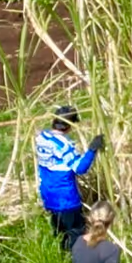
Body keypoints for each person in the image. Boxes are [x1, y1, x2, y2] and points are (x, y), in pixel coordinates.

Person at [35, 105, 104, 251]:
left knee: (59, 231)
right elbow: (80, 168)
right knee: (75, 232)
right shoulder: (64, 146)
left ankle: (61, 258)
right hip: (65, 197)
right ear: (69, 126)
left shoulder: (42, 137)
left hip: (48, 194)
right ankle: (75, 262)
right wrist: (92, 149)